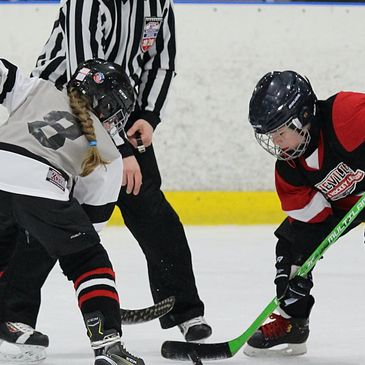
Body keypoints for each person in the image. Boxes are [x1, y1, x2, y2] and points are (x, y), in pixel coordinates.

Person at [0, 0, 211, 346]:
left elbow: (161, 64)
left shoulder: (159, 4)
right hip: (61, 105)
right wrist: (121, 151)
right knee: (47, 219)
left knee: (150, 210)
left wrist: (147, 116)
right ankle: (15, 316)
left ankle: (186, 310)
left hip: (118, 114)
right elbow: (83, 71)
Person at [0, 56, 145, 365]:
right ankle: (107, 343)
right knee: (89, 259)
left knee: (4, 249)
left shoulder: (37, 89)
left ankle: (7, 325)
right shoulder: (107, 151)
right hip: (41, 186)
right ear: (108, 107)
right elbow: (88, 232)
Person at [243, 70, 365, 357]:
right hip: (343, 205)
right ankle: (292, 323)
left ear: (303, 117)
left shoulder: (346, 115)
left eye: (280, 131)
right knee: (290, 245)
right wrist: (300, 268)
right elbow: (311, 224)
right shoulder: (289, 170)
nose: (276, 141)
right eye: (269, 134)